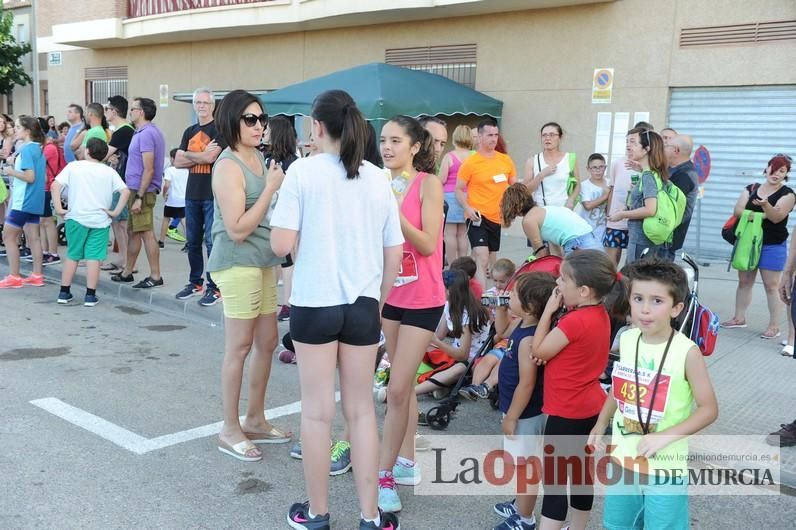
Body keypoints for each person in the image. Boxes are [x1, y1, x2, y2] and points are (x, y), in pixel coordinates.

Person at [270, 89, 402, 530]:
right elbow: (394, 255)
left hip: (314, 303)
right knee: (361, 410)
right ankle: (370, 516)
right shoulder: (377, 177)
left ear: (318, 126)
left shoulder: (302, 172)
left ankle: (318, 513)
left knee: (316, 411)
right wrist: (377, 302)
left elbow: (281, 245)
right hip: (363, 305)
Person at [588, 257, 718, 530]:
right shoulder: (627, 338)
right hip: (622, 458)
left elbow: (709, 409)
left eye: (657, 301)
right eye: (638, 299)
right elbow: (620, 386)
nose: (645, 310)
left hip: (665, 466)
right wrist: (600, 423)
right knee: (617, 524)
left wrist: (664, 437)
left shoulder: (687, 352)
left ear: (676, 308)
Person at [204, 90, 290, 465]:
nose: (259, 126)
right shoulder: (227, 166)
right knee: (239, 347)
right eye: (250, 119)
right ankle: (229, 427)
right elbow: (237, 228)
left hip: (263, 259)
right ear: (232, 122)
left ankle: (254, 418)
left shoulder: (257, 157)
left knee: (268, 341)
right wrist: (271, 189)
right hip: (237, 260)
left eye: (262, 119)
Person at [377, 114, 444, 515]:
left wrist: (395, 212)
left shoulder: (427, 184)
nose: (387, 147)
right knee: (402, 381)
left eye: (396, 140)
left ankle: (383, 476)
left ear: (415, 147)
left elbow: (427, 244)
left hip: (424, 299)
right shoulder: (375, 181)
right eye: (383, 139)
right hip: (390, 297)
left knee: (398, 388)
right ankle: (406, 460)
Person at [531, 250, 618, 530]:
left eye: (563, 279)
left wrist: (547, 311)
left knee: (555, 480)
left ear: (583, 290)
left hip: (566, 410)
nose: (558, 283)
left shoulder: (573, 320)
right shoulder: (600, 312)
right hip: (591, 407)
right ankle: (578, 526)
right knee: (581, 474)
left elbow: (539, 350)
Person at [491, 271, 557, 530]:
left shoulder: (529, 338)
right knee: (522, 464)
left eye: (515, 294)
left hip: (525, 413)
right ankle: (521, 504)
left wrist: (511, 417)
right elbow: (500, 332)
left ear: (529, 307)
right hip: (517, 409)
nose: (510, 295)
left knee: (526, 466)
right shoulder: (522, 323)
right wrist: (500, 306)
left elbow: (527, 383)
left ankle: (525, 518)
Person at [720, 155, 794, 339]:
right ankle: (739, 318)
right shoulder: (751, 188)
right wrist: (761, 214)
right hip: (748, 242)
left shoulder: (788, 194)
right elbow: (737, 211)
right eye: (773, 168)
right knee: (744, 281)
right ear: (766, 168)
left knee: (772, 286)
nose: (775, 173)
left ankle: (774, 326)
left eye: (781, 171)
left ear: (786, 174)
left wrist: (766, 206)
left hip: (772, 244)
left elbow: (777, 216)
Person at [52, 138, 130, 306]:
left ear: (87, 151)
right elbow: (125, 191)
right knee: (94, 257)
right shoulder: (109, 171)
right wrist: (115, 212)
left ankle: (64, 292)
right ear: (104, 155)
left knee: (73, 255)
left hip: (76, 218)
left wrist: (59, 208)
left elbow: (55, 185)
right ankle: (90, 295)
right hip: (100, 220)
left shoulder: (74, 167)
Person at [174, 88, 225, 307]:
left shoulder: (220, 130)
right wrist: (201, 156)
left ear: (213, 106)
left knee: (212, 242)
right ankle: (196, 282)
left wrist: (189, 155)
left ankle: (215, 287)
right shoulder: (189, 131)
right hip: (191, 194)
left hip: (211, 194)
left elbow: (212, 157)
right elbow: (177, 161)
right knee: (192, 241)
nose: (202, 106)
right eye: (198, 102)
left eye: (205, 102)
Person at [110, 97, 166, 289]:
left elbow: (149, 169)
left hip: (143, 191)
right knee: (133, 232)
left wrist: (140, 197)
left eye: (133, 109)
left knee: (146, 233)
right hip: (135, 189)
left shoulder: (147, 134)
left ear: (141, 112)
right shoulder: (141, 132)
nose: (130, 112)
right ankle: (127, 271)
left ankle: (156, 275)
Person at [456, 117, 517, 287]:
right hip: (477, 217)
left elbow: (515, 188)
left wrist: (511, 211)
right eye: (489, 135)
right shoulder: (471, 162)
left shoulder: (505, 160)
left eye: (496, 135)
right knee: (482, 257)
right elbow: (458, 189)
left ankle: (473, 290)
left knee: (488, 261)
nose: (493, 139)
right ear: (480, 137)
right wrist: (468, 208)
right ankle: (482, 300)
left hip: (497, 217)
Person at [414, 269, 491, 398]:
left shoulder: (467, 315)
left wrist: (436, 342)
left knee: (460, 368)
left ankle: (412, 392)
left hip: (472, 360)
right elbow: (440, 334)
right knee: (419, 348)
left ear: (451, 291)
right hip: (455, 354)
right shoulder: (449, 304)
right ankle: (441, 386)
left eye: (440, 287)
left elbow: (463, 355)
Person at [607, 127, 669, 264]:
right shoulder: (653, 173)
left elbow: (650, 209)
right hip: (644, 237)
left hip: (641, 238)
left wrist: (622, 215)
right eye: (627, 142)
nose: (628, 146)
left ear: (646, 149)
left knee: (634, 277)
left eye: (633, 143)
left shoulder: (648, 176)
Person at [0, 116, 47, 289]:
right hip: (35, 199)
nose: (15, 129)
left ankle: (14, 276)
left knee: (8, 236)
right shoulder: (37, 149)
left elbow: (30, 176)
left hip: (23, 200)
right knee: (34, 237)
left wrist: (11, 171)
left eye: (18, 127)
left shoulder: (27, 150)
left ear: (27, 131)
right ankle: (37, 275)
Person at [460, 257, 516, 400]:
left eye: (502, 281)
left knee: (503, 360)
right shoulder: (491, 293)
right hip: (498, 334)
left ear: (512, 279)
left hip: (512, 338)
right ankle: (475, 386)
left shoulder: (516, 295)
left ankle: (486, 386)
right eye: (495, 280)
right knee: (489, 358)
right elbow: (485, 311)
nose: (497, 285)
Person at [263, 116, 300, 322]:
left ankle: (288, 303)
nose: (263, 131)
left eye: (267, 128)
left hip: (284, 218)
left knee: (286, 261)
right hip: (269, 217)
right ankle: (273, 301)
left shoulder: (292, 163)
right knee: (274, 262)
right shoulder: (266, 156)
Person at [501, 183, 601, 257]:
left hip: (577, 242)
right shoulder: (545, 210)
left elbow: (540, 252)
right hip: (590, 237)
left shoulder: (528, 220)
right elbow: (556, 249)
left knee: (576, 282)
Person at [102, 95, 135, 274]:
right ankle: (123, 258)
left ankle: (126, 260)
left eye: (107, 109)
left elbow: (103, 154)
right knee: (119, 222)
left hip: (122, 182)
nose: (105, 112)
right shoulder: (125, 130)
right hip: (121, 179)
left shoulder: (123, 131)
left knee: (120, 222)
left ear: (114, 111)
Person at [523, 122, 581, 212]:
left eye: (552, 135)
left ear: (560, 138)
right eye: (544, 135)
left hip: (564, 211)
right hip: (541, 213)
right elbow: (525, 191)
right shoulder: (532, 161)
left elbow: (577, 185)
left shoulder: (570, 158)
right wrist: (541, 175)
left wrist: (571, 199)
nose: (547, 138)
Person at [437, 125, 473, 264]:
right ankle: (463, 262)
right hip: (467, 197)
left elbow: (442, 179)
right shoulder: (473, 157)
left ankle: (452, 263)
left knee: (449, 234)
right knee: (463, 234)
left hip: (450, 197)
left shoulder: (449, 156)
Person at [664, 134, 699, 260]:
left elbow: (666, 204)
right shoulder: (670, 169)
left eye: (667, 146)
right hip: (659, 234)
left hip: (667, 237)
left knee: (659, 277)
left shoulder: (686, 175)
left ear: (676, 150)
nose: (663, 148)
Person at [40, 130, 66, 265]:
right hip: (44, 188)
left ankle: (53, 253)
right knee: (42, 221)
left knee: (48, 222)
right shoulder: (46, 147)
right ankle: (45, 251)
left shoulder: (49, 148)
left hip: (48, 188)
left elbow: (41, 170)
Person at [158, 149, 188, 248]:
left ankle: (161, 242)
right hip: (183, 199)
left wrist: (164, 193)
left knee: (166, 219)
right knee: (184, 220)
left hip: (172, 199)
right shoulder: (187, 170)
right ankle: (190, 242)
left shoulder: (169, 170)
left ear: (172, 158)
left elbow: (167, 185)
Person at [578, 153, 609, 244]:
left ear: (605, 167)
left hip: (604, 228)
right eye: (594, 167)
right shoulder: (584, 186)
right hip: (587, 229)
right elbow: (587, 205)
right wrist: (605, 196)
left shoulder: (610, 183)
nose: (598, 170)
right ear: (588, 169)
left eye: (601, 167)